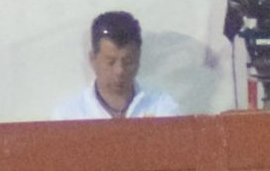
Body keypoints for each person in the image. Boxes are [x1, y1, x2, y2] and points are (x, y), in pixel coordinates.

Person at [51, 11, 182, 120]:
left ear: (138, 58)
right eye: (110, 62)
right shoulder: (68, 116)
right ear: (93, 59)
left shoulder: (161, 108)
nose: (119, 71)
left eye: (127, 61)